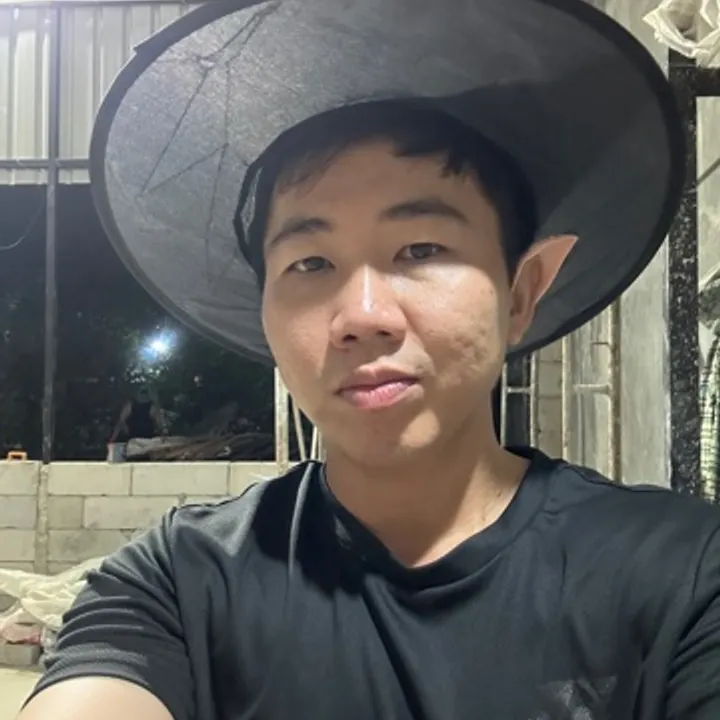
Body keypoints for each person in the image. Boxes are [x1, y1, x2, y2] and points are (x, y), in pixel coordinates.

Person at [19, 1, 719, 719]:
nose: (361, 317)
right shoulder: (181, 582)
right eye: (310, 262)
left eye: (420, 250)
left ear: (519, 294)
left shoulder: (683, 575)